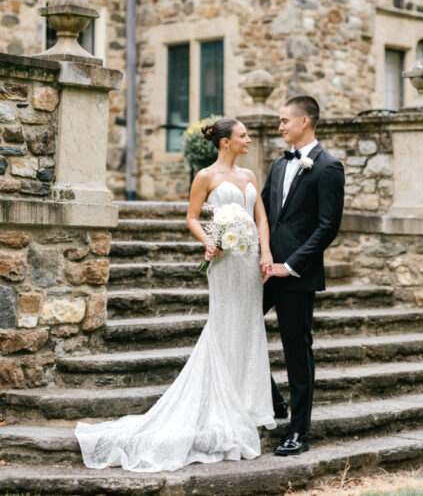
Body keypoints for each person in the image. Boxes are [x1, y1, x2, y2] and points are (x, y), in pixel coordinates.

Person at [76, 119, 276, 471]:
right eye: (243, 136)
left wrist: (266, 253)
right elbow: (192, 217)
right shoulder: (205, 177)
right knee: (224, 323)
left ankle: (246, 405)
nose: (249, 140)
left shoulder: (250, 176)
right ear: (226, 142)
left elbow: (260, 217)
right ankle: (220, 405)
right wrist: (210, 240)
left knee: (249, 327)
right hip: (225, 262)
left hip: (249, 264)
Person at [260, 95, 345, 456]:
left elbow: (327, 227)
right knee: (237, 329)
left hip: (297, 275)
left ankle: (298, 431)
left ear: (305, 121)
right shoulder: (279, 165)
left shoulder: (328, 167)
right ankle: (274, 400)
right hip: (264, 271)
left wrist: (291, 265)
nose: (280, 127)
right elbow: (262, 211)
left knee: (297, 351)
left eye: (284, 121)